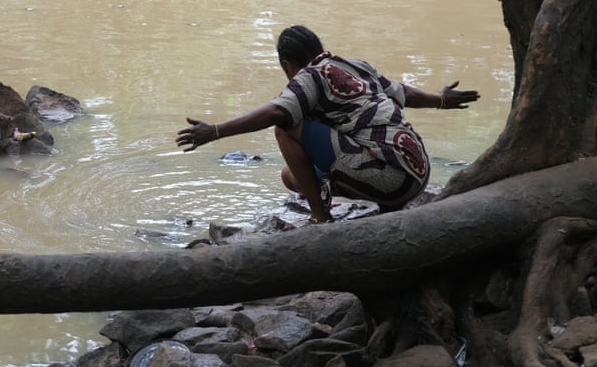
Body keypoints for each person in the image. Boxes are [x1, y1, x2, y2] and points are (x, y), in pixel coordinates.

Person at [176, 25, 479, 222]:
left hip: (391, 180)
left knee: (285, 128)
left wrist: (215, 131)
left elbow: (276, 113)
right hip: (418, 174)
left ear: (287, 65)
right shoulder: (355, 66)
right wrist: (440, 99)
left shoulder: (308, 75)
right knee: (291, 177)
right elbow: (405, 94)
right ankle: (386, 211)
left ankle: (322, 219)